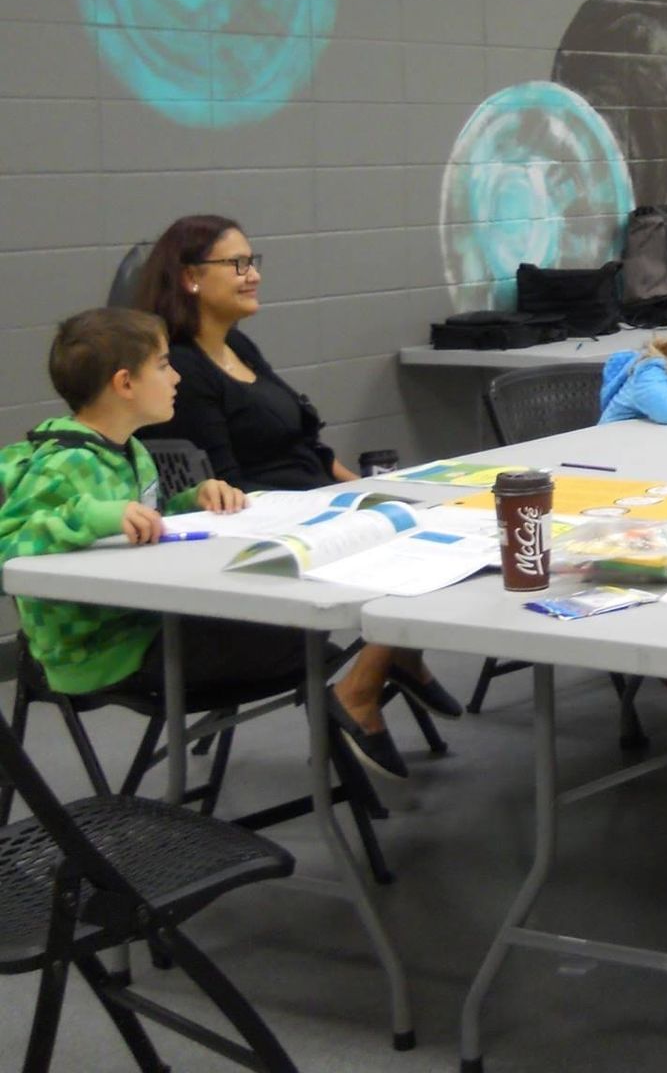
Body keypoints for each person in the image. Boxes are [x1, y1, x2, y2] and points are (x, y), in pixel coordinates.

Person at [134, 214, 451, 780]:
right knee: (414, 552)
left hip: (317, 502)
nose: (252, 274)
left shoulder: (240, 346)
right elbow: (226, 485)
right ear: (189, 278)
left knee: (443, 518)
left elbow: (304, 437)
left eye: (253, 262)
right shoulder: (182, 368)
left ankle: (395, 653)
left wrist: (363, 486)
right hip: (270, 526)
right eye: (237, 264)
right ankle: (363, 684)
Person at [0, 308, 306, 701]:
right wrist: (90, 516)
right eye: (164, 366)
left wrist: (192, 501)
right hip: (98, 654)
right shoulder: (63, 463)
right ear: (125, 383)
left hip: (146, 625)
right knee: (296, 641)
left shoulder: (133, 450)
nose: (177, 377)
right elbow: (8, 550)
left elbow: (138, 526)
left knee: (292, 634)